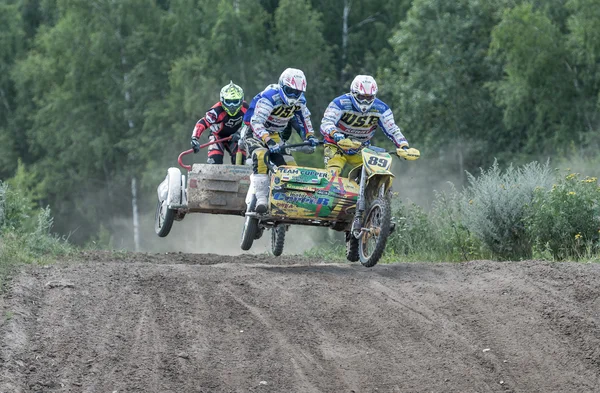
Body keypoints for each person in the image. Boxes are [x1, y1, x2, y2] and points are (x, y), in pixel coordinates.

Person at [243, 68, 319, 213]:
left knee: (291, 166)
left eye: (297, 92)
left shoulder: (300, 101)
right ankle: (261, 198)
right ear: (282, 86)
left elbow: (305, 120)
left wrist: (309, 136)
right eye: (290, 91)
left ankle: (290, 200)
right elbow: (256, 122)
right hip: (256, 133)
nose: (293, 95)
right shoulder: (270, 97)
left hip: (276, 134)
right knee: (261, 155)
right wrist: (268, 140)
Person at [320, 75, 420, 177]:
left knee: (377, 172)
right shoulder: (340, 103)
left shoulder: (381, 108)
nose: (365, 101)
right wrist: (334, 133)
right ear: (353, 93)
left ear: (374, 95)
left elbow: (392, 130)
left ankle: (384, 192)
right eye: (361, 97)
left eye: (369, 97)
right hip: (336, 145)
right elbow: (326, 122)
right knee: (332, 173)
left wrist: (404, 146)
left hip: (361, 148)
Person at [190, 81, 248, 164]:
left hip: (235, 137)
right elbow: (203, 122)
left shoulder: (245, 108)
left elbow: (250, 124)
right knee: (214, 161)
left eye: (235, 101)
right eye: (228, 101)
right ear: (222, 100)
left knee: (241, 160)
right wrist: (195, 138)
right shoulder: (216, 111)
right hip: (217, 136)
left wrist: (240, 133)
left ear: (241, 100)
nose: (232, 105)